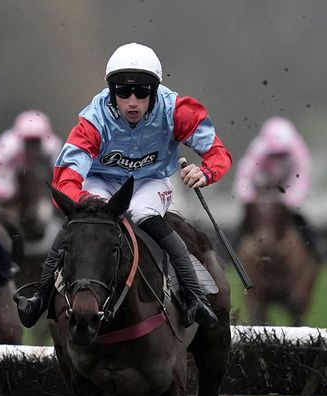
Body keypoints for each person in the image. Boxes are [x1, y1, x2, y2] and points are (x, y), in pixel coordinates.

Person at [15, 42, 232, 329]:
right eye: (123, 91)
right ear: (111, 91)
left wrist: (205, 173)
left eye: (142, 92)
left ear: (154, 91)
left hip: (149, 181)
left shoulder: (178, 111)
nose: (132, 101)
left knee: (144, 213)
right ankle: (41, 296)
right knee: (85, 219)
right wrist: (84, 202)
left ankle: (193, 296)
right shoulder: (93, 121)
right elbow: (66, 176)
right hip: (100, 181)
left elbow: (218, 153)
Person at [234, 116, 317, 256]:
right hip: (261, 190)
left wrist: (290, 199)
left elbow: (302, 177)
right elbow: (244, 176)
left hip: (285, 189)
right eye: (275, 154)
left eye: (282, 154)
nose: (278, 158)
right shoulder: (257, 148)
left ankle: (314, 249)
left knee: (300, 220)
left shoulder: (298, 150)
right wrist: (249, 197)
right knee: (245, 220)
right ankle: (233, 250)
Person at [0, 109, 62, 202]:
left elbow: (61, 174)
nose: (32, 147)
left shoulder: (52, 147)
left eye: (36, 141)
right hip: (7, 179)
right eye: (28, 141)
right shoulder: (8, 146)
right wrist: (3, 191)